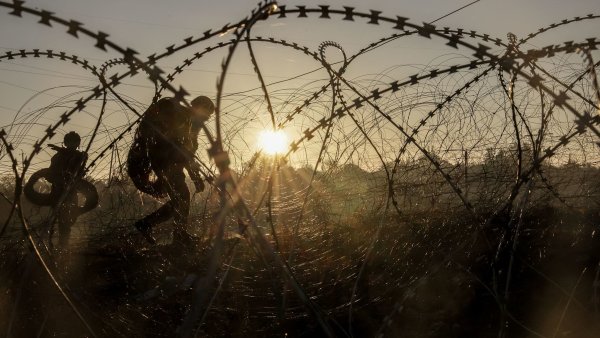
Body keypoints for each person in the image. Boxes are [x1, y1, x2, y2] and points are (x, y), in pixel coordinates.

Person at [129, 95, 214, 246]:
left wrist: (195, 176)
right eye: (207, 114)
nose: (207, 119)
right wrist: (195, 177)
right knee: (182, 196)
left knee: (179, 199)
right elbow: (184, 150)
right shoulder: (182, 117)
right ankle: (178, 236)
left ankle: (147, 224)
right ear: (199, 108)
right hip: (167, 163)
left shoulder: (190, 122)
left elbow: (187, 153)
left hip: (169, 162)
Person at [47, 131, 88, 247]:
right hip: (59, 192)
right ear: (65, 143)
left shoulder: (80, 156)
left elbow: (79, 171)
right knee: (60, 221)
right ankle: (59, 246)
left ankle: (62, 246)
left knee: (66, 221)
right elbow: (50, 175)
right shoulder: (58, 157)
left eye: (74, 142)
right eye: (70, 142)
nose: (72, 145)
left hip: (69, 192)